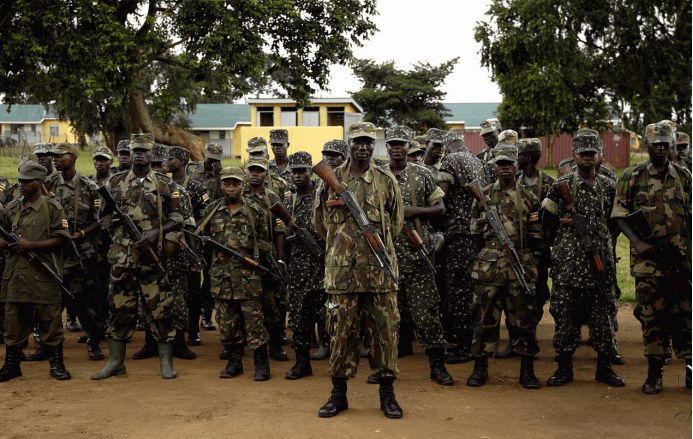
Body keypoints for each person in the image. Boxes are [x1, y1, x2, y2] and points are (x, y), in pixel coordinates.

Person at [313, 121, 404, 419]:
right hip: (342, 275)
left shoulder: (385, 179)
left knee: (385, 333)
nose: (363, 146)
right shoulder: (329, 179)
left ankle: (387, 395)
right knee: (340, 333)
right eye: (357, 141)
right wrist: (343, 244)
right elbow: (319, 223)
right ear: (349, 144)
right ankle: (338, 394)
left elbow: (396, 222)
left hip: (380, 273)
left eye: (368, 141)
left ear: (373, 144)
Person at [92, 133, 184, 380]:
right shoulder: (115, 182)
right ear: (129, 154)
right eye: (135, 150)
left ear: (152, 154)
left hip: (152, 258)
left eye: (144, 150)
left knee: (160, 310)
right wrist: (121, 233)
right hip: (122, 259)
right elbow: (102, 217)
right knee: (119, 309)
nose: (139, 153)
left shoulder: (166, 184)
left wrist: (155, 233)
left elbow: (178, 218)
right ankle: (115, 362)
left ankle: (166, 363)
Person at [612, 122, 692, 394]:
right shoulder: (632, 176)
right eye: (655, 144)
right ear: (646, 145)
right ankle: (654, 375)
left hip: (681, 262)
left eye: (665, 144)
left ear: (672, 146)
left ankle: (690, 371)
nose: (660, 148)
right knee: (652, 319)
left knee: (686, 318)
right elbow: (619, 214)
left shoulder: (684, 175)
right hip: (649, 265)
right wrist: (637, 241)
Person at [541, 132, 625, 388]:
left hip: (600, 265)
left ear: (600, 155)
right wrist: (567, 226)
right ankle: (564, 368)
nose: (587, 159)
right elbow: (547, 220)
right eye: (582, 154)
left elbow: (618, 220)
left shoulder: (609, 186)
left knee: (602, 317)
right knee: (565, 318)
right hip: (569, 266)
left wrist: (604, 244)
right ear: (574, 155)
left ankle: (604, 368)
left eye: (592, 154)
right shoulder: (561, 184)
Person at [467, 144, 542, 389]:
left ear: (517, 165)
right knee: (484, 320)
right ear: (495, 167)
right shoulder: (484, 195)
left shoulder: (529, 197)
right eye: (501, 164)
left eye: (509, 163)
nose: (505, 168)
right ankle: (480, 369)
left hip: (519, 266)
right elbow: (476, 232)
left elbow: (535, 235)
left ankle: (527, 371)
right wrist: (491, 252)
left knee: (523, 320)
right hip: (489, 269)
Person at [382, 125, 452, 386]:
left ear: (409, 145)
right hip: (386, 259)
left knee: (427, 314)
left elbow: (440, 208)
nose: (397, 147)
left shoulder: (422, 174)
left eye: (402, 143)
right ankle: (385, 369)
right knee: (387, 317)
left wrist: (411, 211)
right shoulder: (377, 175)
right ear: (387, 146)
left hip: (417, 257)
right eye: (393, 143)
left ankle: (437, 367)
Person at [0, 161, 72, 382]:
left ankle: (57, 364)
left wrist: (30, 245)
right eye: (20, 180)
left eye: (27, 181)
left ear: (39, 183)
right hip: (16, 276)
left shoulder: (52, 208)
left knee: (50, 321)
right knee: (13, 323)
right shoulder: (11, 208)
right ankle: (12, 365)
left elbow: (62, 239)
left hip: (44, 276)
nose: (21, 185)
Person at [200, 166, 272, 381]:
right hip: (221, 278)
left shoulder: (255, 210)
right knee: (226, 323)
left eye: (236, 184)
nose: (231, 188)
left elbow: (265, 243)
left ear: (243, 185)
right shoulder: (212, 210)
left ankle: (262, 365)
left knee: (255, 323)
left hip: (248, 278)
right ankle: (234, 363)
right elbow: (203, 242)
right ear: (221, 185)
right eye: (227, 184)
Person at [43, 143, 106, 362]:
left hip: (81, 253)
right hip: (54, 253)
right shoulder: (48, 184)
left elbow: (100, 220)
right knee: (51, 302)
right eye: (54, 157)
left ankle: (94, 341)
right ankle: (47, 345)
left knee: (85, 301)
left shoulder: (89, 186)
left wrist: (80, 233)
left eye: (60, 156)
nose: (55, 160)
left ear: (73, 158)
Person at [437, 132, 485, 364]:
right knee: (472, 287)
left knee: (458, 290)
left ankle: (466, 345)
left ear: (447, 146)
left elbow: (441, 196)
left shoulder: (449, 160)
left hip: (457, 234)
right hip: (477, 233)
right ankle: (472, 340)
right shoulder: (479, 162)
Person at [282, 151, 327, 379]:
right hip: (298, 267)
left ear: (311, 172)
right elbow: (282, 231)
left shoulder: (323, 196)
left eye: (302, 171)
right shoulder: (288, 201)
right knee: (299, 317)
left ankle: (334, 359)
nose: (298, 175)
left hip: (323, 265)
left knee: (328, 315)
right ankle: (302, 363)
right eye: (294, 171)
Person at [243, 157, 288, 362]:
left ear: (266, 174)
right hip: (243, 259)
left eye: (259, 170)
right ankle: (240, 344)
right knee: (244, 303)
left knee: (273, 304)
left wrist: (279, 260)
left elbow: (280, 230)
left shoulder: (272, 198)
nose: (255, 173)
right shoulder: (237, 195)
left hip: (267, 259)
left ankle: (276, 345)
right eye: (251, 169)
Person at [513, 138, 555, 353]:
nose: (515, 159)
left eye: (517, 154)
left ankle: (531, 336)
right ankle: (517, 339)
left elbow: (555, 220)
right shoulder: (513, 182)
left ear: (527, 157)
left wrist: (543, 242)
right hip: (516, 250)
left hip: (539, 251)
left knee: (536, 294)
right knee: (515, 295)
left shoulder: (549, 184)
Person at [167, 145, 209, 347]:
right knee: (174, 290)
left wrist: (190, 230)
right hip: (171, 246)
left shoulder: (196, 187)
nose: (167, 161)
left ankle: (193, 330)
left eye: (171, 158)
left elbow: (204, 215)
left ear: (182, 161)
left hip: (191, 244)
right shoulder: (164, 184)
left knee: (193, 291)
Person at [186, 142, 224, 332]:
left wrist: (218, 177)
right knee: (191, 274)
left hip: (212, 233)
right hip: (192, 230)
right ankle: (188, 315)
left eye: (216, 160)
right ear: (204, 155)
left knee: (209, 275)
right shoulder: (191, 168)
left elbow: (222, 199)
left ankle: (207, 314)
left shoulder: (223, 175)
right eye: (210, 158)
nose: (212, 162)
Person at [477, 118, 502, 185]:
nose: (486, 138)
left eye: (490, 134)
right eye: (484, 135)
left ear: (499, 131)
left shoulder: (513, 153)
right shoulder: (481, 156)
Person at [269, 129, 294, 193]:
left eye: (280, 144)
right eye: (274, 145)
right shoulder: (266, 168)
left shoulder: (295, 167)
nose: (277, 147)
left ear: (288, 145)